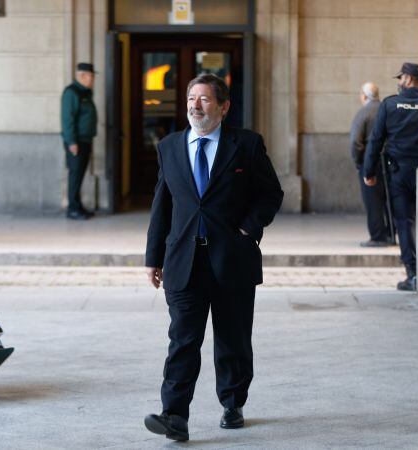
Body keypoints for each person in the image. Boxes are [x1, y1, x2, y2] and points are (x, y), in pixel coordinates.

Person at [143, 74, 283, 441]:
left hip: (231, 259)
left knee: (233, 339)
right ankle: (174, 415)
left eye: (204, 99)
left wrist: (248, 229)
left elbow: (271, 194)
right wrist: (152, 256)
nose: (195, 105)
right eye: (191, 98)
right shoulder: (170, 147)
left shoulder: (247, 145)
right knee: (182, 341)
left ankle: (232, 402)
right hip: (183, 261)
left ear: (223, 107)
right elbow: (163, 204)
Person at [363, 62, 418, 292]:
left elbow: (376, 140)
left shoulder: (390, 104)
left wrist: (369, 172)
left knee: (404, 222)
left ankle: (413, 273)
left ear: (408, 79)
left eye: (401, 79)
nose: (399, 83)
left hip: (399, 173)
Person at [350, 81, 392, 247]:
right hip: (388, 161)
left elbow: (355, 141)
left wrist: (358, 161)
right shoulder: (386, 110)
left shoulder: (364, 113)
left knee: (372, 201)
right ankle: (390, 232)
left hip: (370, 162)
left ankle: (377, 235)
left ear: (364, 96)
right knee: (388, 199)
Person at [60, 62, 97, 220]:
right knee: (75, 175)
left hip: (85, 140)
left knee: (80, 175)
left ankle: (78, 206)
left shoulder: (85, 93)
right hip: (77, 142)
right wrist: (71, 142)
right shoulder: (72, 93)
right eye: (91, 76)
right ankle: (72, 209)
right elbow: (67, 120)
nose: (93, 79)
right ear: (82, 76)